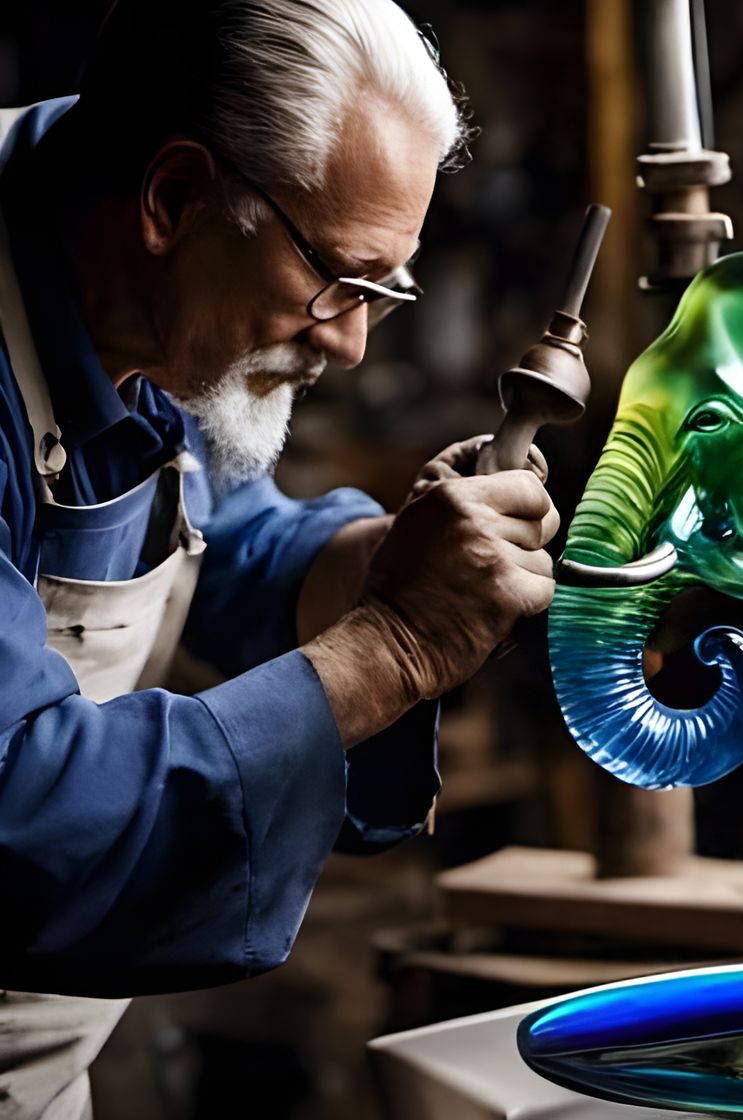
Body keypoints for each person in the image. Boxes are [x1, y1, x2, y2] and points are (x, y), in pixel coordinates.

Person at [0, 1, 559, 1115]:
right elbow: (18, 813)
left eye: (381, 295)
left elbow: (231, 535)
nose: (350, 341)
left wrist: (383, 560)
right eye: (339, 282)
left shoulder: (135, 282)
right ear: (173, 199)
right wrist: (393, 645)